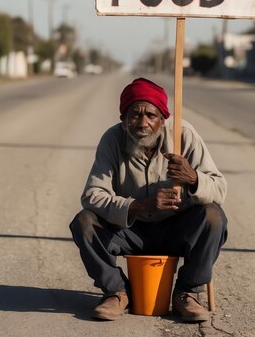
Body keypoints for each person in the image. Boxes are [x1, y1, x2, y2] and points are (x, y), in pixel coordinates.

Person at [70, 77, 227, 322]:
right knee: (84, 222)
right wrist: (138, 206)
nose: (143, 123)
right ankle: (117, 292)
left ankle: (187, 293)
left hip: (177, 230)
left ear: (163, 120)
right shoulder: (112, 139)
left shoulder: (183, 135)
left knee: (213, 216)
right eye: (134, 115)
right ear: (123, 120)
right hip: (131, 229)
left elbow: (219, 190)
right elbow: (92, 195)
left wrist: (194, 178)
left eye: (151, 116)